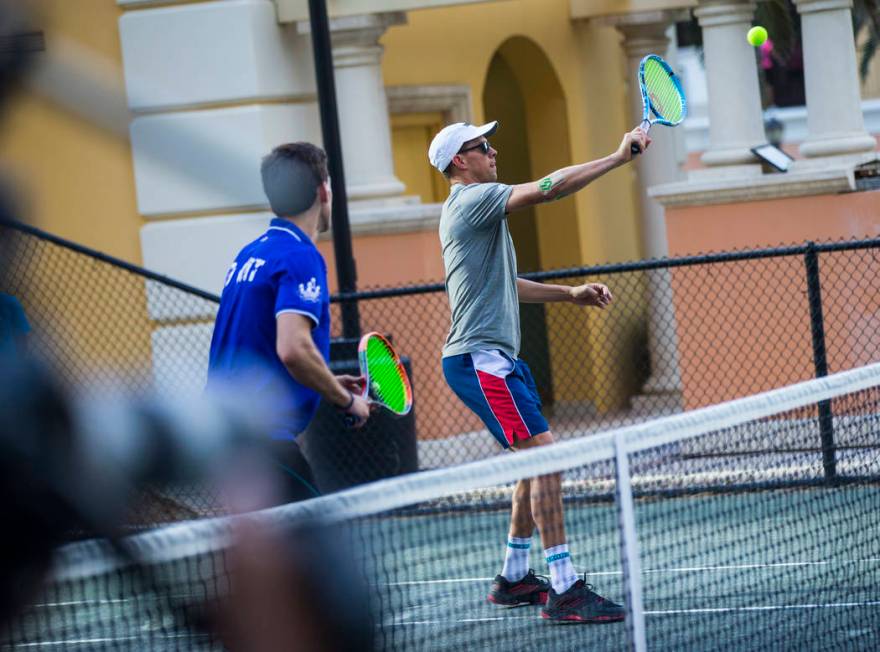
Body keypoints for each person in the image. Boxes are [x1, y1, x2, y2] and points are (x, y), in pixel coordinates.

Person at [428, 121, 650, 623]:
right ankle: (565, 587)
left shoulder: (474, 211)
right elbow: (551, 187)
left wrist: (569, 294)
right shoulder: (472, 200)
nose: (493, 149)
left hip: (496, 360)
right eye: (482, 145)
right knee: (547, 458)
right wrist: (617, 158)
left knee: (533, 462)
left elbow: (509, 284)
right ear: (460, 162)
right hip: (479, 360)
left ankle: (513, 577)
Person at [207, 142, 370, 504]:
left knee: (262, 557)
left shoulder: (251, 253)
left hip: (224, 433)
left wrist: (324, 380)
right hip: (261, 438)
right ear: (323, 190)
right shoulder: (300, 256)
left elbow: (262, 342)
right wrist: (346, 400)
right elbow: (293, 348)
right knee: (318, 548)